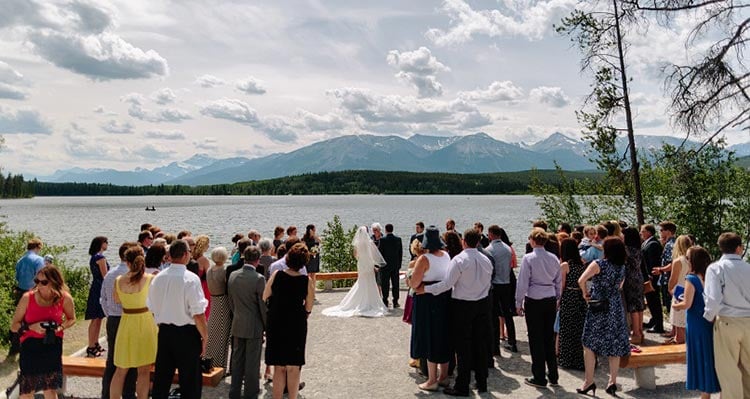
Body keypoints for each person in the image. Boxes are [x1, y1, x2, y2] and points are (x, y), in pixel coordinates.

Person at [420, 229, 493, 397]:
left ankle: (462, 385)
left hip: (462, 306)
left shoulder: (459, 260)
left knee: (463, 347)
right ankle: (482, 382)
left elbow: (446, 284)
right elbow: (488, 284)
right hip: (482, 304)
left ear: (464, 241)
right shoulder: (486, 260)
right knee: (480, 345)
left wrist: (426, 289)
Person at [147, 239, 209, 399]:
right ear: (185, 254)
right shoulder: (191, 279)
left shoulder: (158, 278)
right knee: (190, 382)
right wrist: (205, 336)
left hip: (165, 332)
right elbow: (198, 313)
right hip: (187, 333)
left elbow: (151, 307)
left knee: (162, 379)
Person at [11, 266, 76, 399]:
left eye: (44, 282)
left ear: (54, 281)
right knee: (27, 390)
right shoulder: (27, 298)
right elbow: (13, 326)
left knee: (50, 390)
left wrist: (60, 328)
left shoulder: (64, 298)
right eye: (37, 281)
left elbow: (72, 319)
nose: (39, 285)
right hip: (30, 346)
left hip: (52, 345)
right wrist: (30, 327)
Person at [578, 237, 630, 396]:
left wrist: (585, 293)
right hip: (615, 307)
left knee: (589, 344)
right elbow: (620, 286)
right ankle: (612, 382)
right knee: (614, 346)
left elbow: (582, 280)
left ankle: (589, 381)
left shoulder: (598, 264)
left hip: (599, 307)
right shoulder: (622, 267)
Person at [263, 243, 314, 399]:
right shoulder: (306, 281)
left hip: (277, 321)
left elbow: (265, 296)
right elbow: (309, 306)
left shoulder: (277, 275)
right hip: (296, 323)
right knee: (294, 366)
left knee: (279, 367)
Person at [703, 232, 750, 399]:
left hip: (728, 321)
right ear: (739, 248)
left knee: (728, 370)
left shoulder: (716, 268)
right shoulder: (748, 267)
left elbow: (713, 298)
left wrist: (708, 318)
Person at [671, 246, 720, 399]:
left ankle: (705, 394)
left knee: (699, 355)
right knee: (710, 355)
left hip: (695, 322)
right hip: (709, 321)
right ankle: (713, 389)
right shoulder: (711, 276)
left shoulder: (691, 279)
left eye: (687, 257)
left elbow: (687, 303)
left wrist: (675, 304)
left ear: (693, 261)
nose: (686, 259)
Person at [110, 246, 158, 399]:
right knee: (143, 370)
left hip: (126, 324)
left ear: (128, 263)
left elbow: (116, 300)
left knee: (120, 369)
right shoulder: (150, 279)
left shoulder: (119, 280)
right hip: (145, 323)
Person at [516, 228, 561, 388]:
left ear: (533, 241)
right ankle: (553, 375)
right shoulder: (554, 258)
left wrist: (518, 302)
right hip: (549, 298)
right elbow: (558, 281)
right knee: (548, 337)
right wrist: (557, 298)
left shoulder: (529, 258)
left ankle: (539, 375)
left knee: (536, 339)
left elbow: (522, 282)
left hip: (534, 298)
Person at [407, 226, 452, 392]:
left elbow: (414, 284)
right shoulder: (446, 256)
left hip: (427, 301)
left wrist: (409, 277)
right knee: (442, 335)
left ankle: (432, 379)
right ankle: (444, 376)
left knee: (429, 336)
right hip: (444, 298)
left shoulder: (424, 259)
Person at [100, 241, 139, 399]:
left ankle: (107, 394)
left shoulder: (110, 274)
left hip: (114, 319)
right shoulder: (133, 276)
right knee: (131, 359)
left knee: (113, 359)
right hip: (130, 318)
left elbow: (103, 299)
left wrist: (109, 314)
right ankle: (128, 393)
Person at [228, 245, 267, 399]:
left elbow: (231, 301)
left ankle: (234, 391)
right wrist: (266, 325)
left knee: (237, 360)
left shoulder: (233, 276)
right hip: (254, 325)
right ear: (258, 260)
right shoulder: (258, 279)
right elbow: (262, 306)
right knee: (252, 361)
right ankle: (251, 392)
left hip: (237, 321)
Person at [322, 227, 387, 317]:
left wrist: (360, 260)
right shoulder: (369, 242)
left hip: (361, 264)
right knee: (371, 282)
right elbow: (374, 255)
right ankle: (370, 301)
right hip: (368, 264)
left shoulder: (357, 243)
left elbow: (355, 255)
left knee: (361, 281)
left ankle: (358, 301)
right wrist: (372, 264)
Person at [484, 225, 517, 354]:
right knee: (508, 314)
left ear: (491, 234)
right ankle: (513, 342)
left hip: (495, 284)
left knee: (494, 315)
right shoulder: (508, 249)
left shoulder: (489, 250)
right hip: (506, 283)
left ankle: (495, 346)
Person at [10, 238, 45, 356]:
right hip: (33, 291)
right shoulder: (39, 260)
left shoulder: (20, 260)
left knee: (18, 319)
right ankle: (31, 345)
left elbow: (18, 277)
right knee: (33, 319)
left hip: (20, 290)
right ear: (37, 247)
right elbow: (41, 278)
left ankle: (15, 346)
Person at [557, 238, 586, 371]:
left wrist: (558, 301)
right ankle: (581, 359)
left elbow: (561, 286)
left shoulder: (565, 265)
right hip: (580, 297)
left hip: (569, 297)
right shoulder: (583, 264)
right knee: (580, 329)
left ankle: (567, 359)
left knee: (567, 329)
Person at [205, 247, 231, 370]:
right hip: (222, 301)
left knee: (213, 332)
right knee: (222, 335)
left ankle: (209, 359)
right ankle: (220, 364)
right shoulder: (224, 271)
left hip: (213, 300)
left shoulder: (209, 270)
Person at [664, 234, 693, 344]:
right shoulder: (692, 260)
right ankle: (678, 337)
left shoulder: (678, 261)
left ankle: (678, 339)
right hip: (690, 289)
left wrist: (670, 289)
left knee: (678, 318)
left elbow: (673, 279)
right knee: (684, 318)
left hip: (679, 289)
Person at [86, 236, 109, 358]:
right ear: (101, 244)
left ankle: (95, 343)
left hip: (96, 286)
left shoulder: (94, 257)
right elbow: (105, 275)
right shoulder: (100, 258)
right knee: (96, 318)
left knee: (98, 318)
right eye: (106, 242)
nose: (107, 244)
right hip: (100, 287)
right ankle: (91, 345)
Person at [622, 227, 646, 344]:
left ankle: (635, 332)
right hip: (638, 276)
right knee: (639, 304)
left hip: (630, 278)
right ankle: (640, 331)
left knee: (632, 306)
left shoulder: (626, 249)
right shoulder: (638, 249)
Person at [641, 224, 665, 333]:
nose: (641, 233)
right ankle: (653, 320)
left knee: (654, 301)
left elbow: (652, 263)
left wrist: (650, 276)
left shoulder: (653, 244)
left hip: (652, 278)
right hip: (648, 277)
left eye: (643, 231)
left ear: (649, 232)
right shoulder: (647, 243)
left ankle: (658, 325)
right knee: (651, 301)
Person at [378, 224, 403, 308]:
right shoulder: (398, 239)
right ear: (392, 229)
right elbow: (400, 253)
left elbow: (380, 253)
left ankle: (385, 300)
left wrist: (380, 265)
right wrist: (399, 265)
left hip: (385, 266)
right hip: (395, 265)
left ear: (385, 230)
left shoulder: (382, 240)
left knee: (385, 284)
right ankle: (395, 301)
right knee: (395, 283)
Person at [192, 235, 212, 319]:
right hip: (204, 286)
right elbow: (209, 275)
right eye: (207, 244)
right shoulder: (204, 260)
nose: (209, 246)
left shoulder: (192, 257)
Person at [302, 225, 321, 300]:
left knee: (314, 275)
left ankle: (313, 293)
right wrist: (310, 253)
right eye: (313, 230)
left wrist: (314, 236)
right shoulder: (304, 238)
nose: (315, 230)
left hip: (315, 258)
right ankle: (307, 292)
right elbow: (303, 248)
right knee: (308, 275)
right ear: (310, 230)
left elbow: (320, 242)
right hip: (308, 258)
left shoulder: (315, 238)